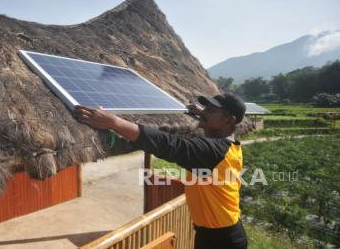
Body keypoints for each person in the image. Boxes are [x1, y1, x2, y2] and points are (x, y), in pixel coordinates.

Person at [73, 93, 248, 249]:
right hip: (213, 234)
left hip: (223, 241)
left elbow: (170, 144)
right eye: (205, 108)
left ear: (229, 120)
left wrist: (115, 122)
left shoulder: (214, 151)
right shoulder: (228, 147)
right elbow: (203, 127)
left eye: (211, 110)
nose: (204, 112)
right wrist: (202, 112)